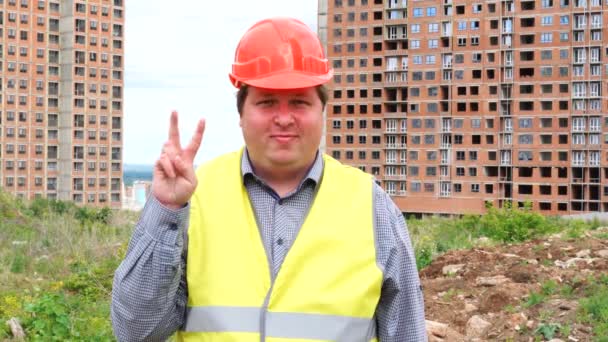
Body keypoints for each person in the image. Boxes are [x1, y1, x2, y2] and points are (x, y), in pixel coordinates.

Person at [111, 17, 427, 341]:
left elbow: (406, 333)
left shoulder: (370, 206)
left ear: (322, 112)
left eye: (300, 102)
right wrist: (165, 207)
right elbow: (137, 331)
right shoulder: (194, 198)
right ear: (241, 114)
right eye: (267, 102)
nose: (284, 118)